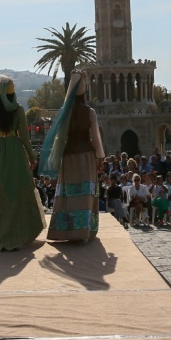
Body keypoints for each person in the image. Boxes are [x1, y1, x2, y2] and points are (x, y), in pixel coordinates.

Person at [0, 75, 44, 251]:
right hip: (15, 151)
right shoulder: (18, 109)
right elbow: (25, 137)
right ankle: (18, 233)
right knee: (17, 188)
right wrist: (32, 156)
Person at [41, 72, 105, 242]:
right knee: (86, 193)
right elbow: (95, 138)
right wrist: (100, 157)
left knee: (69, 194)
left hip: (68, 157)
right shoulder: (89, 112)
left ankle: (67, 231)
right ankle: (83, 231)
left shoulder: (64, 112)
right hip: (86, 157)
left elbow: (59, 138)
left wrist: (54, 159)